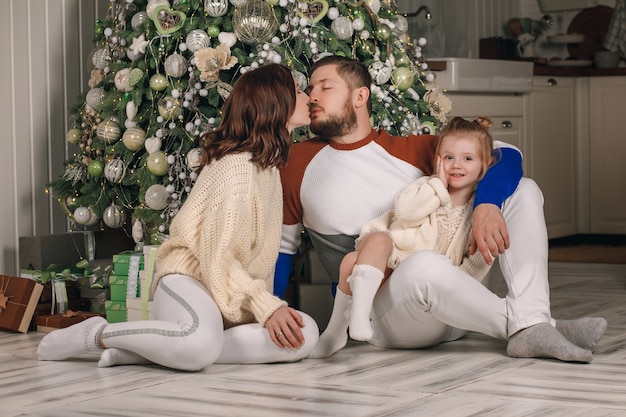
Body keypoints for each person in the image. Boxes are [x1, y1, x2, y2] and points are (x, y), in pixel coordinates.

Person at [278, 55, 606, 363]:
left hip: (464, 299)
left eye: (325, 86)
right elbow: (280, 250)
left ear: (360, 96)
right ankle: (533, 326)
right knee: (424, 264)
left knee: (525, 189)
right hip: (393, 318)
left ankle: (532, 319)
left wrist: (487, 204)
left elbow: (505, 154)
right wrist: (269, 313)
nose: (312, 96)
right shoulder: (297, 163)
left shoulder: (412, 149)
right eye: (309, 88)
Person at [37, 63, 319, 371]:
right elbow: (219, 259)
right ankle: (97, 335)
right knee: (200, 345)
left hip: (229, 292)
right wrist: (265, 306)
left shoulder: (268, 168)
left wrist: (265, 307)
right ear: (276, 102)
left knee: (305, 334)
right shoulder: (237, 167)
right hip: (190, 282)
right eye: (298, 90)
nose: (308, 97)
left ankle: (152, 349)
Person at [322, 116, 497, 351]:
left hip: (423, 289)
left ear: (485, 163)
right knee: (370, 245)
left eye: (468, 158)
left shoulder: (479, 212)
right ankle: (354, 320)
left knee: (351, 261)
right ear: (438, 160)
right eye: (448, 158)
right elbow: (405, 213)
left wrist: (450, 293)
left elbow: (475, 265)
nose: (456, 165)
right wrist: (438, 185)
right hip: (389, 267)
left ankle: (336, 331)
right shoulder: (426, 186)